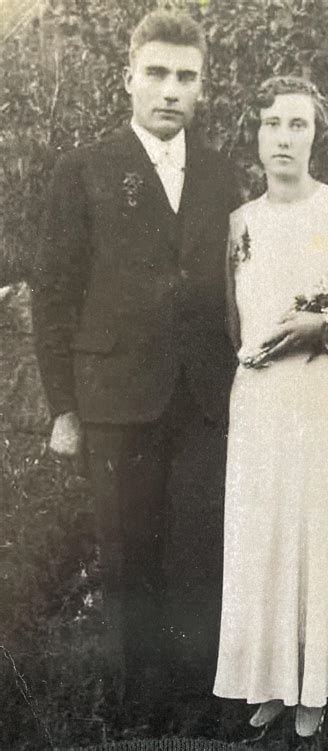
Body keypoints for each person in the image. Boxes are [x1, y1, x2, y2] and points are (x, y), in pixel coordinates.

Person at [32, 10, 237, 729]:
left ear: (202, 88)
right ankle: (133, 711)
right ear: (128, 79)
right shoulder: (84, 170)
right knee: (127, 555)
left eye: (186, 77)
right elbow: (52, 294)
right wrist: (63, 409)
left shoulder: (221, 173)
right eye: (156, 73)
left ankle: (194, 707)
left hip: (205, 399)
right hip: (115, 397)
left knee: (197, 553)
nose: (171, 90)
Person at [213, 77, 328, 740]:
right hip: (261, 399)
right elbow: (232, 316)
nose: (283, 138)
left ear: (317, 134)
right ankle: (269, 680)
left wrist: (323, 326)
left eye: (297, 125)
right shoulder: (238, 223)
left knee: (322, 529)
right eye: (271, 125)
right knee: (265, 531)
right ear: (255, 135)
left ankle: (317, 684)